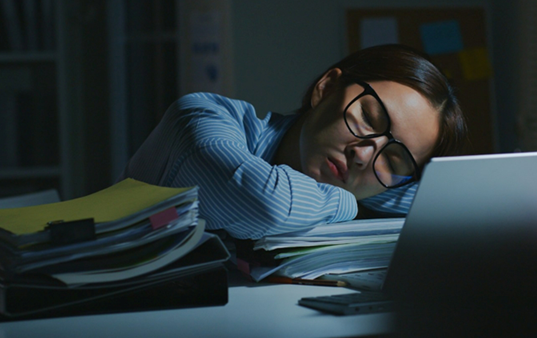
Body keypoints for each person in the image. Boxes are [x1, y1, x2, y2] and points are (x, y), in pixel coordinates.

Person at [118, 44, 467, 239]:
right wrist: (347, 200)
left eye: (394, 160)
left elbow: (461, 203)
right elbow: (265, 203)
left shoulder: (382, 180)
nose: (363, 154)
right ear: (326, 88)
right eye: (369, 118)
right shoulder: (203, 116)